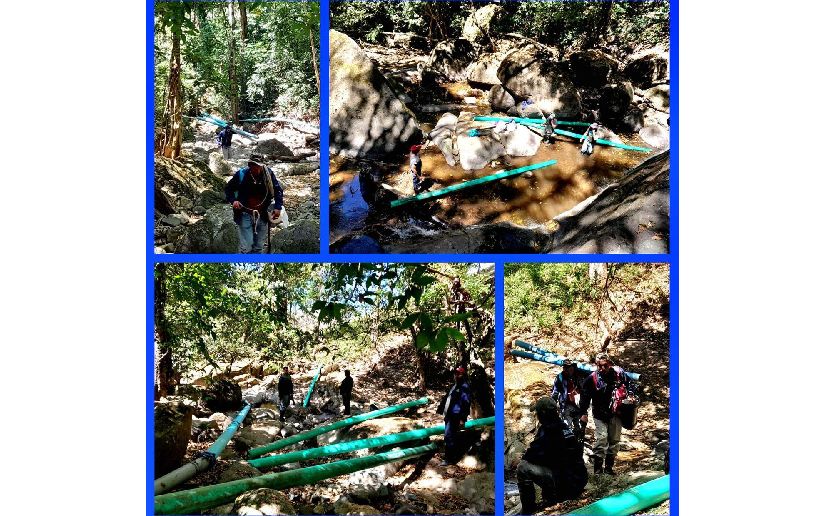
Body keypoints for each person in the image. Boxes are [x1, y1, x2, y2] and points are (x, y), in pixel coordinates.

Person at [516, 397, 588, 515]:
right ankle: (549, 497)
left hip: (565, 486)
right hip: (578, 482)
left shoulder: (548, 430)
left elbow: (532, 455)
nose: (537, 415)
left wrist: (522, 458)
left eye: (538, 413)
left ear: (542, 414)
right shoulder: (564, 428)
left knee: (522, 468)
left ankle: (528, 510)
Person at [579, 353, 638, 475]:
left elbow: (630, 383)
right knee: (601, 439)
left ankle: (609, 469)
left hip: (616, 413)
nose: (602, 369)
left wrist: (631, 395)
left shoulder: (618, 373)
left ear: (609, 364)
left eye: (605, 365)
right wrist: (583, 413)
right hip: (599, 414)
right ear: (596, 365)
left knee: (614, 441)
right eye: (599, 366)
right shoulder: (591, 379)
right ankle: (598, 470)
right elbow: (584, 397)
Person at [224, 154, 284, 254]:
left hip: (263, 214)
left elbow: (278, 190)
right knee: (246, 246)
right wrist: (233, 200)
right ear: (249, 165)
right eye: (254, 165)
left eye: (259, 166)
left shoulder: (268, 174)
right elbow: (228, 189)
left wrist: (278, 207)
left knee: (259, 247)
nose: (257, 168)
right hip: (244, 213)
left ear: (263, 166)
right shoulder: (241, 174)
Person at [437, 365, 472, 465]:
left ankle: (449, 460)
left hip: (455, 417)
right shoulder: (455, 386)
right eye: (455, 373)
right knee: (449, 436)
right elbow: (447, 399)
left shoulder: (465, 387)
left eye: (459, 374)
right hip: (449, 416)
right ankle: (450, 458)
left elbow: (466, 403)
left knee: (449, 436)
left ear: (463, 375)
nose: (456, 375)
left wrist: (462, 418)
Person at [551, 359, 584, 438]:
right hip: (566, 406)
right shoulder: (560, 377)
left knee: (578, 428)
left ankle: (578, 444)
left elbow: (584, 390)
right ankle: (568, 444)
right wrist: (552, 405)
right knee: (566, 427)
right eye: (565, 367)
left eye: (569, 367)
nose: (567, 369)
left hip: (578, 406)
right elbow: (555, 392)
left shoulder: (578, 377)